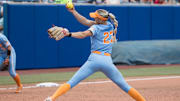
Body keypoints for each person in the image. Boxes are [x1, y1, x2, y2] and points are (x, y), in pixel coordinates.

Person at [45, 4, 146, 101]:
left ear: (99, 20)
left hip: (94, 60)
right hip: (107, 61)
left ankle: (52, 98)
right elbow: (85, 21)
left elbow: (83, 34)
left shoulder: (96, 27)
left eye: (95, 17)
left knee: (72, 82)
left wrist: (69, 34)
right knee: (125, 86)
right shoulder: (109, 25)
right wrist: (73, 12)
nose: (94, 18)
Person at [0, 6, 23, 93]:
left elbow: (9, 47)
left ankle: (20, 86)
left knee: (12, 72)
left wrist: (8, 58)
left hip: (10, 53)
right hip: (1, 55)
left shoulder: (1, 37)